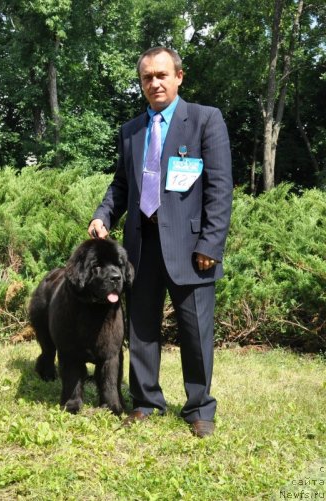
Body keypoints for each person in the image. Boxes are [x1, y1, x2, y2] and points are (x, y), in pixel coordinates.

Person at [88, 47, 233, 438]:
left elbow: (220, 189)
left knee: (195, 331)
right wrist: (103, 215)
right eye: (147, 77)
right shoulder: (131, 130)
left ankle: (200, 408)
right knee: (142, 329)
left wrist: (210, 244)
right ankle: (146, 400)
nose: (154, 83)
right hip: (140, 248)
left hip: (192, 249)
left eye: (161, 75)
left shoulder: (205, 120)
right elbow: (121, 185)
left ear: (179, 77)